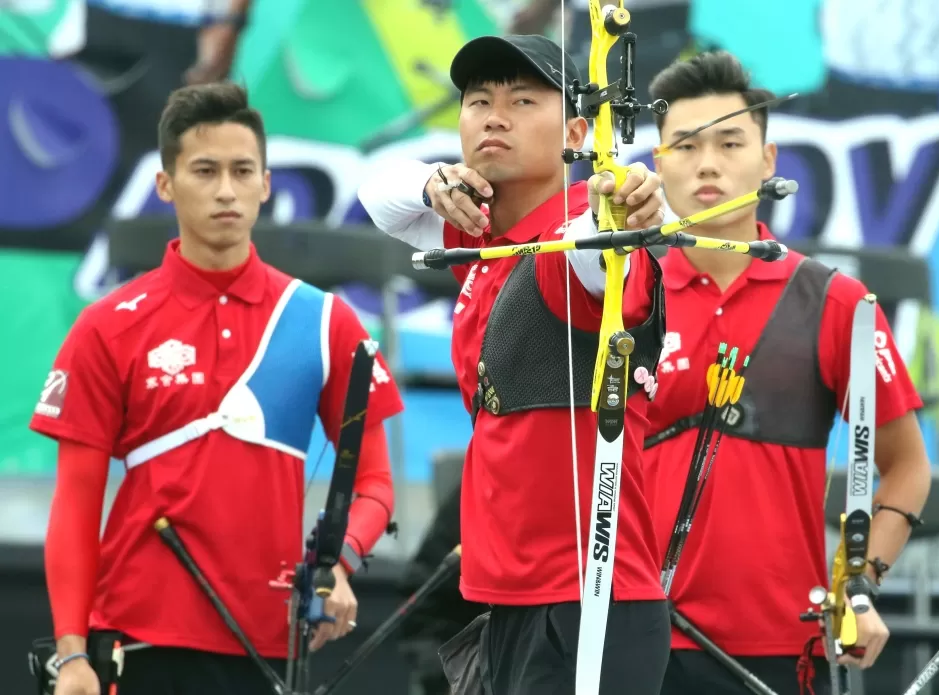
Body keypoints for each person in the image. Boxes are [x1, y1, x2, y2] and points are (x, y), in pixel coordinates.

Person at [29, 82, 403, 695]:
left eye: (241, 170)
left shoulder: (323, 322)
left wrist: (341, 560)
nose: (226, 189)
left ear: (266, 183)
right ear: (165, 185)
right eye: (204, 170)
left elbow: (376, 484)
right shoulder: (107, 325)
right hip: (134, 642)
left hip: (268, 647)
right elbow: (74, 504)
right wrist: (70, 655)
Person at [359, 34, 672, 695]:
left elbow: (592, 255)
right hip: (507, 596)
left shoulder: (574, 233)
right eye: (478, 101)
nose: (494, 115)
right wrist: (429, 180)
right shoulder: (484, 233)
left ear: (580, 131)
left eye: (524, 100)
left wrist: (613, 201)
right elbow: (375, 187)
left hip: (590, 601)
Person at [640, 51, 932, 695]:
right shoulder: (622, 293)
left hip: (780, 645)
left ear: (768, 160)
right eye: (684, 145)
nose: (708, 162)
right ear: (657, 162)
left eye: (730, 141)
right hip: (632, 637)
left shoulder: (836, 301)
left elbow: (907, 463)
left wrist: (857, 580)